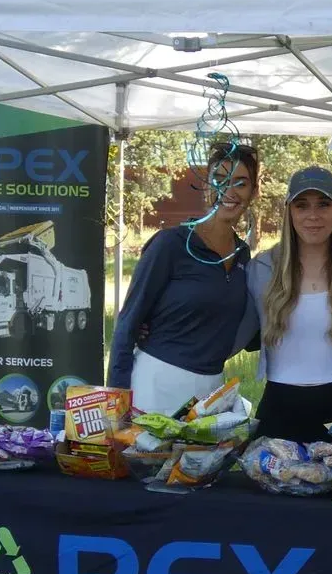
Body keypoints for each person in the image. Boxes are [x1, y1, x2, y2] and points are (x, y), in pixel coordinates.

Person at [108, 142, 259, 413]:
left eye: (240, 183)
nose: (229, 191)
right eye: (220, 180)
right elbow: (127, 324)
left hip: (210, 393)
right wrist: (117, 403)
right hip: (155, 386)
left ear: (253, 192)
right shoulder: (171, 244)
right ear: (206, 186)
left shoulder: (243, 254)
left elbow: (246, 328)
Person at [237, 166, 332, 445]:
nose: (313, 216)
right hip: (280, 405)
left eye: (323, 204)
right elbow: (233, 329)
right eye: (302, 206)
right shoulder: (261, 268)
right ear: (289, 211)